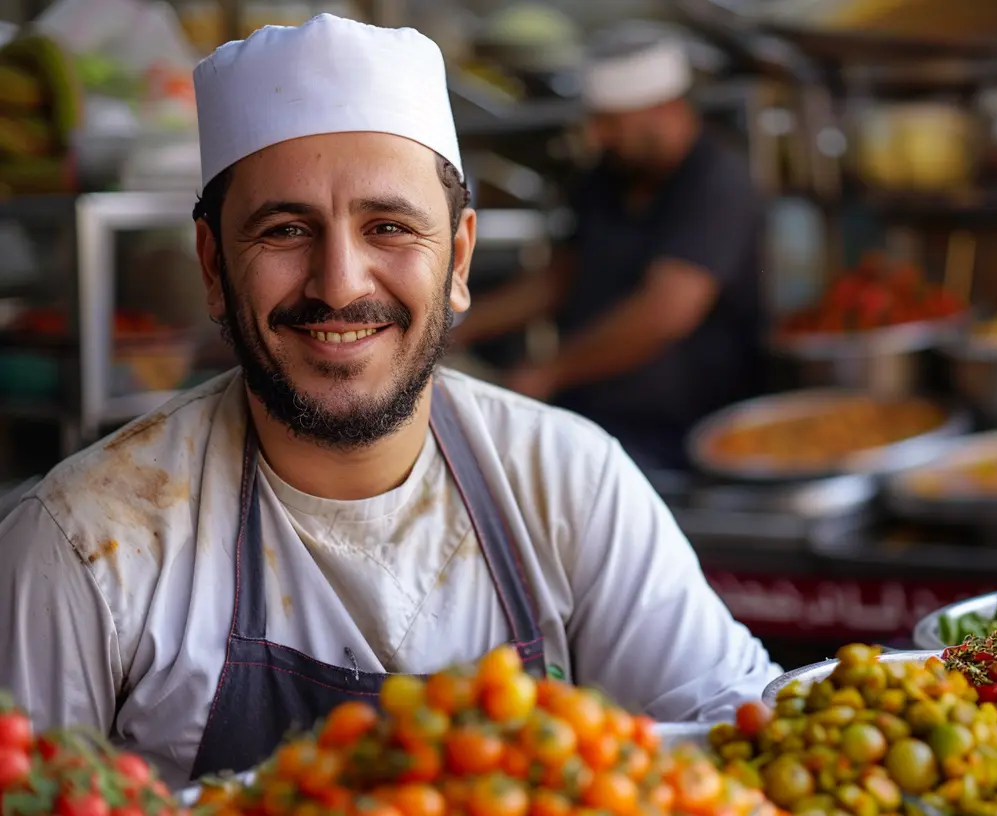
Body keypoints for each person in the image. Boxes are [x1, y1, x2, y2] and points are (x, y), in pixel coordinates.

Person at [0, 15, 778, 788]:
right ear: (211, 265)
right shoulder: (83, 543)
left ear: (461, 256)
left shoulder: (568, 482)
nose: (340, 283)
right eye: (284, 230)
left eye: (389, 227)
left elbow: (739, 738)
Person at [450, 38, 766, 472]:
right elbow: (558, 279)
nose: (599, 136)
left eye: (612, 122)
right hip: (598, 417)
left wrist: (549, 371)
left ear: (665, 109)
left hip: (684, 436)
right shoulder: (608, 178)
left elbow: (666, 310)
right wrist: (453, 327)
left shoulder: (715, 183)